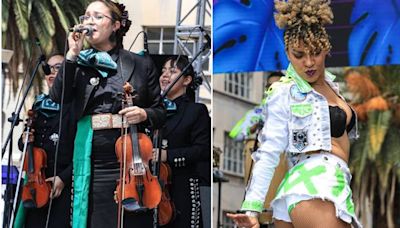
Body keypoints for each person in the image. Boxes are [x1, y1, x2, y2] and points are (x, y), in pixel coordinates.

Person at [228, 0, 362, 227]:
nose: (308, 62)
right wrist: (251, 207)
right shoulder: (285, 92)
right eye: (299, 55)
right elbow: (268, 151)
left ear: (326, 48)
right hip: (315, 186)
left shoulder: (332, 87)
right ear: (287, 54)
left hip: (317, 188)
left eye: (315, 53)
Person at [49, 1, 165, 227]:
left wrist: (143, 113)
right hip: (92, 157)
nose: (89, 21)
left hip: (131, 158)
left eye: (98, 17)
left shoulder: (140, 63)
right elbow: (57, 97)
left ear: (116, 26)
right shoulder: (79, 64)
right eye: (86, 17)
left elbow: (161, 111)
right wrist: (72, 54)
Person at [16, 54, 74, 228]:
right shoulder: (39, 104)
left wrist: (63, 178)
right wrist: (25, 139)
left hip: (63, 182)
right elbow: (24, 145)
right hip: (36, 182)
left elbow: (83, 150)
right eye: (48, 69)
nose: (51, 73)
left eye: (58, 68)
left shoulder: (74, 105)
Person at [159, 56, 211, 227]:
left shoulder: (196, 111)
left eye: (172, 71)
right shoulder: (153, 110)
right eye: (163, 71)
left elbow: (203, 150)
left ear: (187, 80)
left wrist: (168, 155)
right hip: (153, 187)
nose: (165, 75)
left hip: (183, 186)